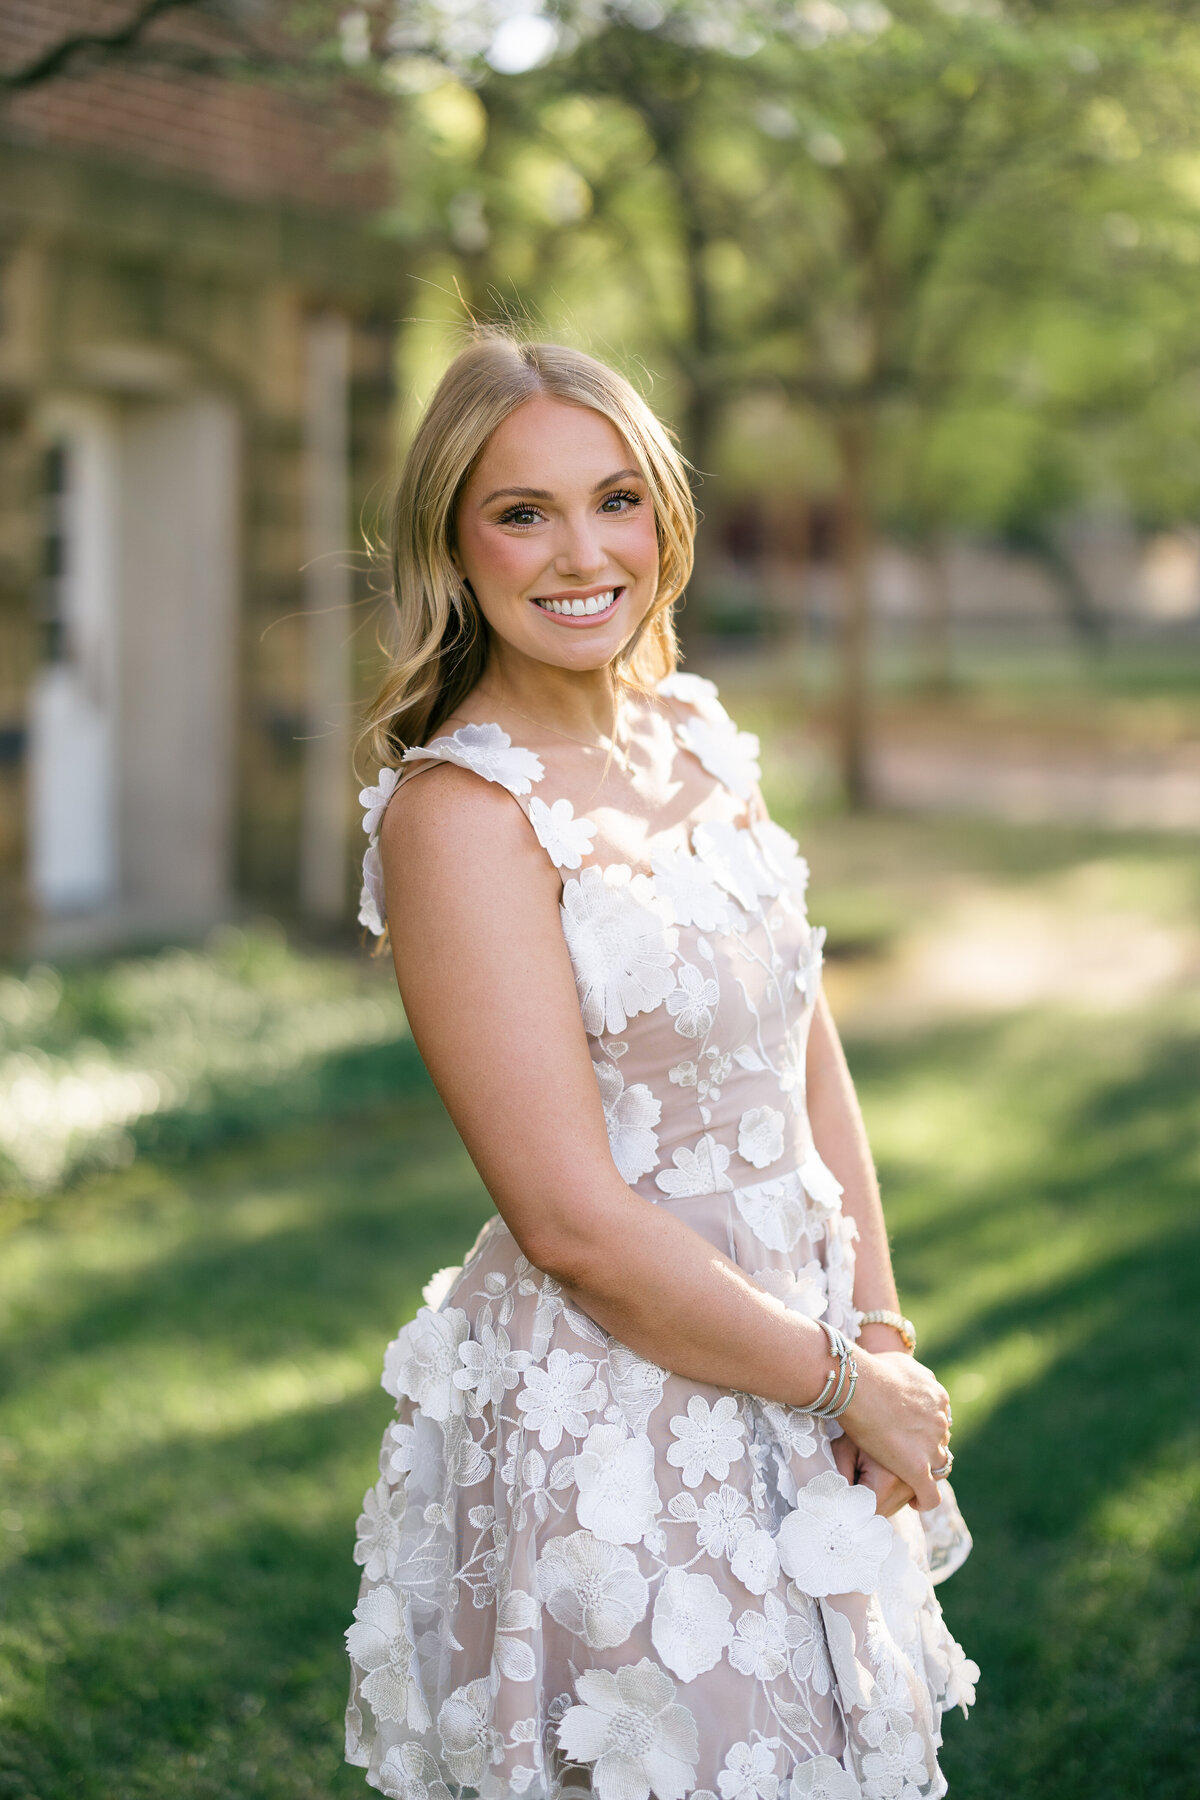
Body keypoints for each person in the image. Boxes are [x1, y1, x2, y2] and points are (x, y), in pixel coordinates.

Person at [345, 331, 979, 1800]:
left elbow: (800, 1032)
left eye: (616, 499)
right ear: (454, 540)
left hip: (807, 1351)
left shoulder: (695, 732)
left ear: (664, 517)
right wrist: (842, 1386)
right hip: (622, 1415)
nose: (583, 551)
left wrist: (875, 1326)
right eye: (523, 511)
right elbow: (569, 1223)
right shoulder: (459, 819)